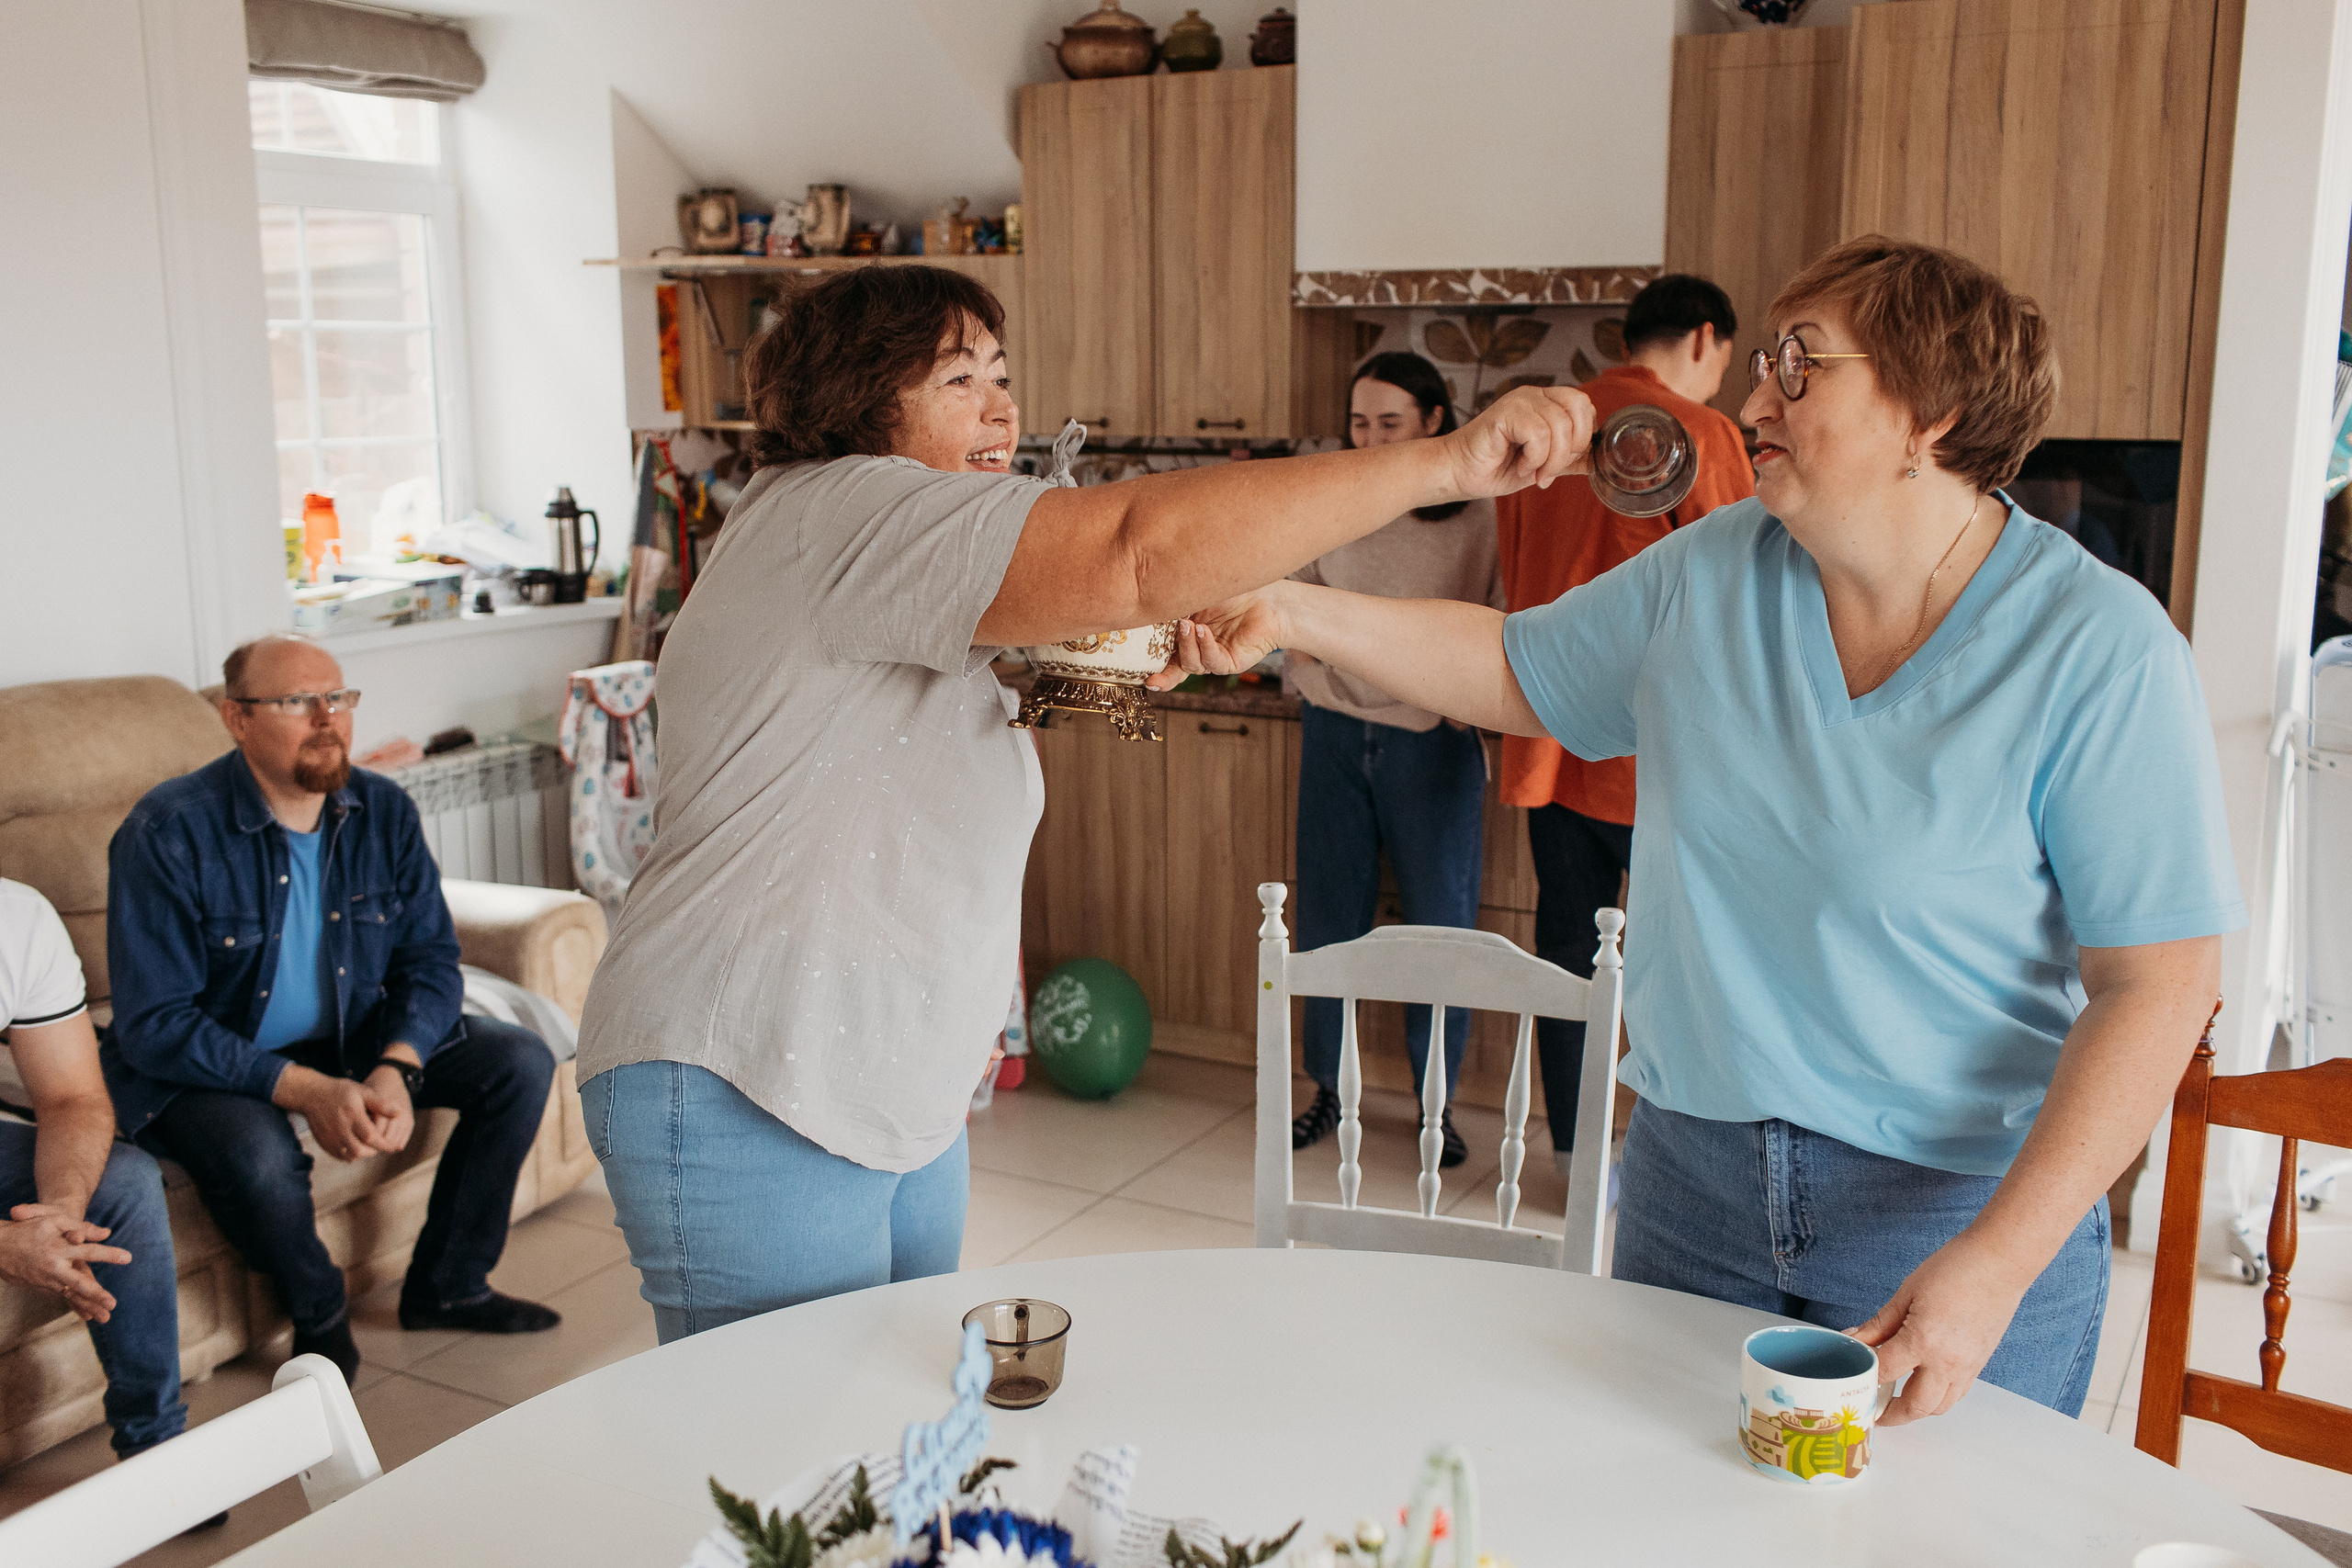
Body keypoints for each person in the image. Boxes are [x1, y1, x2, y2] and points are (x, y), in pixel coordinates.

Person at [1160, 235, 2241, 1424]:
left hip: (1956, 1210)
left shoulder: (2100, 652)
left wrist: (1999, 1257)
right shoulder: (1718, 569)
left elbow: (2161, 981)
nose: (1749, 396)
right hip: (1694, 1190)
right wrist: (1295, 607)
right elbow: (1518, 669)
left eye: (1798, 366)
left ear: (1927, 413)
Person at [575, 265, 1598, 1342]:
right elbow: (1132, 548)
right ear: (856, 398)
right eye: (959, 378)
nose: (1003, 409)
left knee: (888, 1430)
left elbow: (973, 693)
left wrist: (1159, 643)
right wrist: (1448, 460)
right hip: (745, 1073)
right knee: (785, 1470)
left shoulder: (876, 552)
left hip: (876, 1078)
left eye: (1002, 375)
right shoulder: (848, 510)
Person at [105, 635, 562, 1384]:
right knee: (257, 1158)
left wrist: (396, 1066)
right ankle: (319, 1317)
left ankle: (448, 1284)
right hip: (211, 1058)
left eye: (339, 697)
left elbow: (428, 961)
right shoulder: (168, 831)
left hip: (351, 1034)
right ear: (236, 719)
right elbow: (157, 1024)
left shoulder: (381, 810)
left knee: (517, 1060)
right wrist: (307, 1091)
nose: (327, 717)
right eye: (296, 701)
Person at [1493, 274, 1754, 1178]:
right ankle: (1674, 1169)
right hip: (1655, 759)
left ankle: (1574, 1161)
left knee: (1569, 955)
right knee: (1684, 968)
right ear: (1705, 338)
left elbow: (1514, 569)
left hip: (1545, 740)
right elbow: (1740, 594)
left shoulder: (1552, 428)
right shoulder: (1703, 436)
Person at [1286, 352, 1505, 1168]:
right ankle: (1328, 1092)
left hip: (1433, 743)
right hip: (1335, 733)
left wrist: (1455, 702)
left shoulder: (1479, 512)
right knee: (1327, 927)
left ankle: (1435, 1110)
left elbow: (1503, 613)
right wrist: (1304, 672)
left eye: (1389, 422)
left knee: (1441, 933)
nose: (1369, 437)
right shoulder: (1329, 500)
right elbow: (1290, 593)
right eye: (1359, 422)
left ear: (1434, 423)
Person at [0, 880, 190, 1463]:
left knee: (124, 1180)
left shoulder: (17, 918)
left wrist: (62, 1214)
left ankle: (156, 1447)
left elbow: (72, 1099)